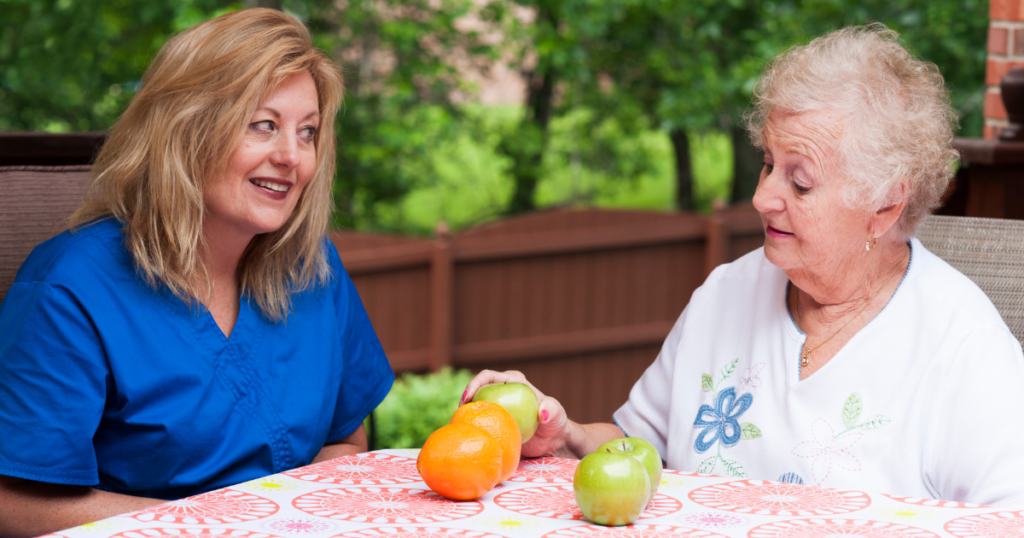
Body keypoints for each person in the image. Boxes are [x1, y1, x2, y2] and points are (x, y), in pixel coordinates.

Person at [465, 24, 1024, 506]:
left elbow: (1007, 518)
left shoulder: (961, 346)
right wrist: (566, 435)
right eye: (767, 165)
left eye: (800, 181)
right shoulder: (726, 293)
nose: (762, 198)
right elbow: (641, 448)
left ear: (885, 205)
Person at [0, 9, 394, 536]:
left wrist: (304, 519)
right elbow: (14, 502)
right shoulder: (68, 287)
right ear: (187, 128)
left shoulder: (312, 267)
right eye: (264, 125)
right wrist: (216, 526)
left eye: (308, 133)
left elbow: (346, 438)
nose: (291, 157)